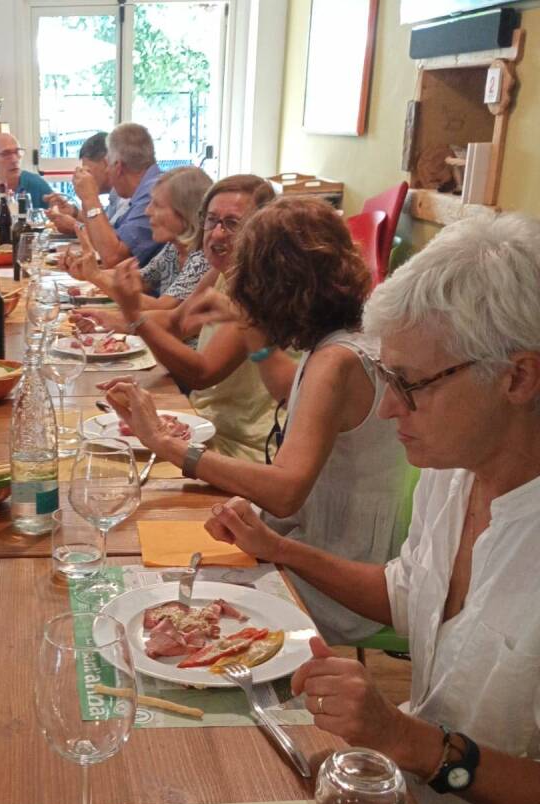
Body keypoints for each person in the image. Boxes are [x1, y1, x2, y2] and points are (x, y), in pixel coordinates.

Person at [204, 212, 540, 804]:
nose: (388, 412)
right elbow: (405, 592)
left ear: (520, 377)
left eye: (413, 386)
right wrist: (282, 551)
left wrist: (413, 743)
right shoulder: (460, 470)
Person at [106, 197, 406, 643]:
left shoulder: (335, 362)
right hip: (322, 540)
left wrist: (168, 445)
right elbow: (291, 391)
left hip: (333, 568)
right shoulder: (349, 338)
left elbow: (285, 493)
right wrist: (253, 334)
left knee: (144, 592)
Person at [99, 174, 282, 461]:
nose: (217, 233)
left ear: (263, 230)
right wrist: (120, 315)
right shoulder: (222, 271)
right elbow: (176, 323)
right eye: (211, 220)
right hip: (201, 424)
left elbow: (202, 373)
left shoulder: (263, 288)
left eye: (232, 224)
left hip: (243, 447)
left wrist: (134, 316)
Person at [65, 166, 213, 329]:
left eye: (157, 205)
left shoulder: (203, 259)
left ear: (186, 213)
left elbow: (163, 309)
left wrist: (96, 275)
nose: (148, 211)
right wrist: (87, 270)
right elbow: (139, 280)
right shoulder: (174, 248)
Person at [73, 122, 161, 267]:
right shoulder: (143, 191)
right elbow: (100, 243)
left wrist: (90, 198)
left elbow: (112, 257)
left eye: (109, 166)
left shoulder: (154, 194)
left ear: (118, 167)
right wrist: (85, 198)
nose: (108, 172)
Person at [45, 132, 126, 234]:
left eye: (88, 171)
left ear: (106, 163)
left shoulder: (126, 197)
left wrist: (76, 227)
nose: (85, 176)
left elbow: (113, 242)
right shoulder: (115, 196)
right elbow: (104, 224)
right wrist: (73, 212)